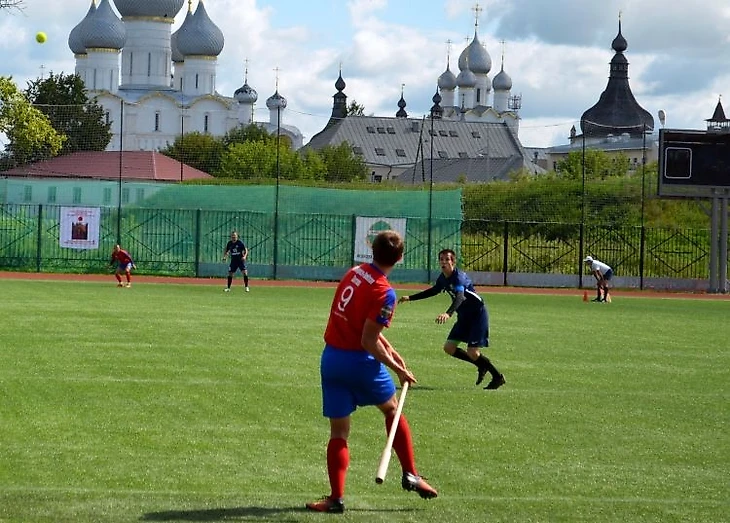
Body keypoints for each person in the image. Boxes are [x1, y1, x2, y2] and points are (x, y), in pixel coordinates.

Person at [306, 230, 437, 514]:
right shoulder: (385, 292)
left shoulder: (354, 273)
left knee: (339, 432)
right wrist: (397, 368)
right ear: (400, 259)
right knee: (391, 409)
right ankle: (411, 474)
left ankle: (336, 499)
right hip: (360, 363)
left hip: (332, 360)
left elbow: (362, 326)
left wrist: (391, 350)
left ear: (372, 252)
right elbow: (367, 340)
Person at [398, 248, 505, 390]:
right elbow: (434, 290)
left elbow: (460, 296)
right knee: (449, 348)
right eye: (441, 259)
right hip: (464, 316)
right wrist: (410, 297)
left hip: (477, 315)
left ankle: (498, 377)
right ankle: (480, 365)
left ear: (453, 262)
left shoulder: (459, 277)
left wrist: (448, 313)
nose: (444, 262)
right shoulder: (443, 278)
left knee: (473, 352)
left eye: (447, 259)